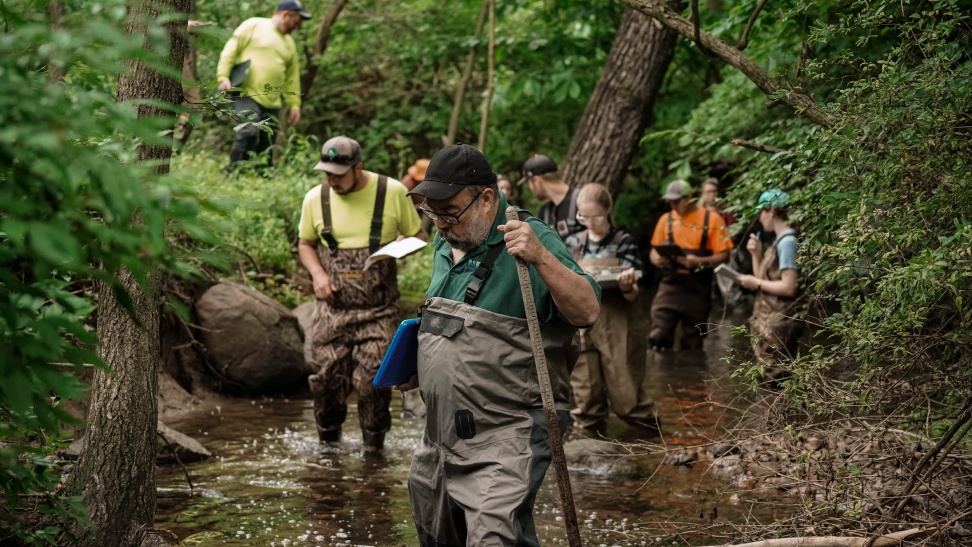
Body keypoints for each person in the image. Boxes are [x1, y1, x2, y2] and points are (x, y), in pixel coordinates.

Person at [400, 143, 601, 546]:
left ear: (486, 198)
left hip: (508, 431)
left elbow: (587, 311)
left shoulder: (530, 240)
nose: (439, 224)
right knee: (435, 532)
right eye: (432, 212)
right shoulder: (449, 235)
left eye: (449, 211)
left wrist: (541, 257)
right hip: (440, 432)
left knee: (494, 535)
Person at [296, 135, 426, 451]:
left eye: (338, 174)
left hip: (379, 311)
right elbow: (305, 244)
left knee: (373, 384)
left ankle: (373, 453)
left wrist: (397, 250)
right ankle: (327, 450)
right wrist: (318, 275)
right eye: (326, 173)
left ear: (358, 167)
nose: (331, 180)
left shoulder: (392, 191)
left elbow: (419, 235)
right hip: (332, 309)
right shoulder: (316, 198)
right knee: (326, 382)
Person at [565, 183, 656, 437]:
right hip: (583, 320)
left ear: (607, 211)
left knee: (626, 394)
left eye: (596, 216)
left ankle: (651, 440)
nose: (590, 222)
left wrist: (627, 285)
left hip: (619, 322)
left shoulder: (623, 241)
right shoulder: (572, 243)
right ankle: (589, 440)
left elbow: (634, 293)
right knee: (586, 393)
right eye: (584, 217)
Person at [216, 0, 311, 166]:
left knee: (268, 142)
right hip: (246, 92)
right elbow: (231, 49)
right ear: (286, 14)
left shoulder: (290, 43)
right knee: (248, 130)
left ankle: (263, 176)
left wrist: (294, 104)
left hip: (273, 101)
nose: (297, 27)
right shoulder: (254, 25)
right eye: (296, 22)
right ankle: (234, 171)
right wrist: (223, 76)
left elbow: (292, 76)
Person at [648, 179, 733, 350]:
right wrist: (656, 258)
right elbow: (653, 250)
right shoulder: (666, 219)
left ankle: (692, 374)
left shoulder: (713, 219)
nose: (672, 205)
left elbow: (724, 255)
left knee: (693, 342)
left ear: (689, 197)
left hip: (698, 287)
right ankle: (665, 375)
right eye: (669, 201)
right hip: (670, 284)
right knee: (659, 336)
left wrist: (699, 261)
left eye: (676, 200)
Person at [735, 189, 802, 384]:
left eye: (761, 212)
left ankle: (781, 416)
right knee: (769, 380)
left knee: (776, 381)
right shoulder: (778, 241)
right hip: (769, 326)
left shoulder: (788, 242)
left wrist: (754, 282)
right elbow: (766, 282)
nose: (759, 217)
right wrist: (756, 255)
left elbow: (789, 287)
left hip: (778, 325)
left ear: (771, 210)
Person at [518, 154, 583, 240]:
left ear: (536, 180)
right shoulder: (544, 213)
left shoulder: (581, 200)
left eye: (528, 183)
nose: (530, 189)